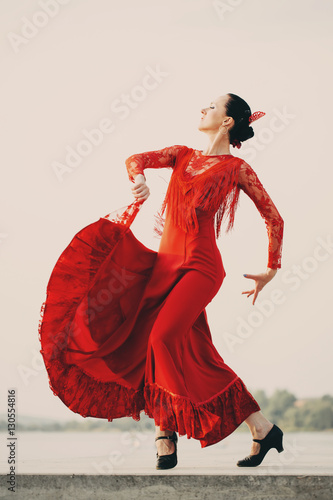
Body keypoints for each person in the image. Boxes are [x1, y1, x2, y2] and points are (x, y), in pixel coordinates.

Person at [38, 93, 284, 471]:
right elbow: (134, 159)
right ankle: (262, 428)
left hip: (201, 269)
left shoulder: (236, 169)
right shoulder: (181, 154)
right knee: (199, 354)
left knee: (160, 338)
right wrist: (139, 181)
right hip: (165, 267)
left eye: (212, 106)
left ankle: (164, 432)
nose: (203, 108)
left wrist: (271, 268)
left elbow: (274, 218)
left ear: (228, 121)